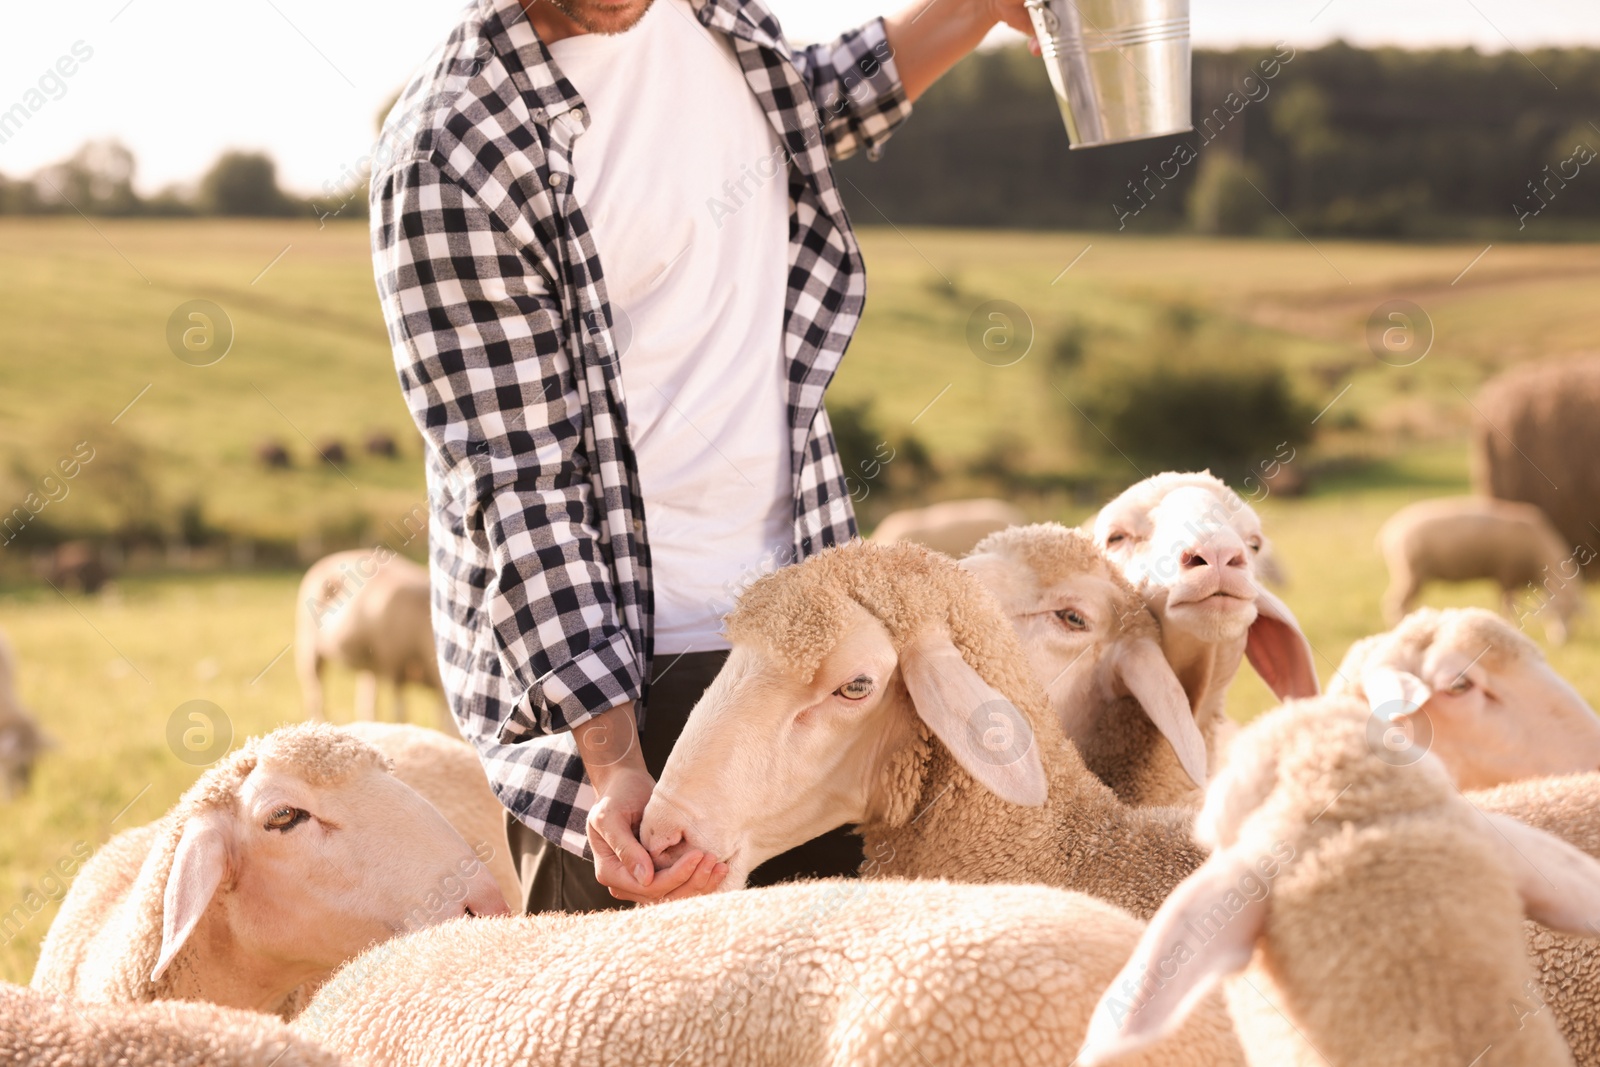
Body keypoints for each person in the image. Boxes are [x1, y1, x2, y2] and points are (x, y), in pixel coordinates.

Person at [370, 0, 1030, 912]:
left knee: (832, 1025)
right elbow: (519, 486)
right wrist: (614, 767)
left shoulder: (710, 16)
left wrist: (975, 10)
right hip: (622, 693)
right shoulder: (451, 153)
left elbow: (806, 104)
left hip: (812, 662)